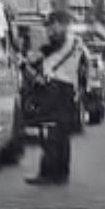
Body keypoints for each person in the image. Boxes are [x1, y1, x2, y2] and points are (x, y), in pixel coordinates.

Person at [25, 11, 84, 186]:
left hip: (57, 90)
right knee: (60, 135)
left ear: (59, 24)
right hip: (64, 90)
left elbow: (49, 60)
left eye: (51, 26)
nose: (49, 31)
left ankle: (49, 174)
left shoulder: (67, 41)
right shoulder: (72, 42)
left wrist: (34, 59)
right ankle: (60, 174)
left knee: (50, 132)